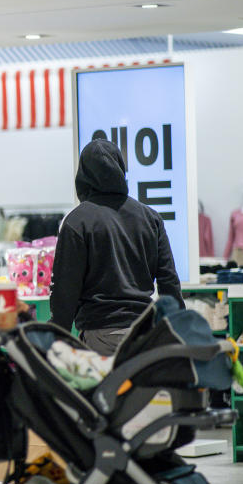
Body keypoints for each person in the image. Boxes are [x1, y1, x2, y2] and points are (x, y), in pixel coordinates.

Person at [50, 139, 184, 356]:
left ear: (83, 175)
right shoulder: (150, 218)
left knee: (103, 390)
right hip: (144, 333)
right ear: (120, 168)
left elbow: (65, 290)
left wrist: (56, 339)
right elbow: (169, 281)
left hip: (100, 336)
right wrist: (179, 331)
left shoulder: (77, 222)